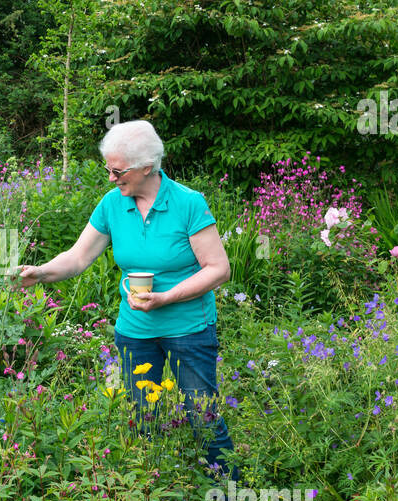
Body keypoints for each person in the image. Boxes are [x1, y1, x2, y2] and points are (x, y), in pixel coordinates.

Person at [13, 120, 238, 479]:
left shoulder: (188, 203)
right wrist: (39, 272)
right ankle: (154, 496)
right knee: (143, 420)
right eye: (108, 169)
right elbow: (78, 257)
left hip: (189, 331)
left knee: (202, 417)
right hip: (135, 331)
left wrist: (166, 297)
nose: (111, 178)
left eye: (117, 171)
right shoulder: (112, 204)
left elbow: (218, 269)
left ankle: (231, 496)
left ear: (147, 167)